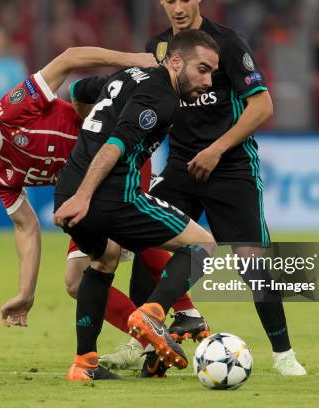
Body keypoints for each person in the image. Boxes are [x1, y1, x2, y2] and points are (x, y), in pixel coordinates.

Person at [102, 0, 307, 376]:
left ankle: (284, 354)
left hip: (230, 166)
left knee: (252, 262)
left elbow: (262, 107)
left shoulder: (227, 43)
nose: (178, 7)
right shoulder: (158, 48)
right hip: (181, 167)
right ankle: (144, 345)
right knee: (147, 246)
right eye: (170, 0)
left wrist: (215, 150)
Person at [0, 46, 157, 328]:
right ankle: (151, 338)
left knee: (138, 240)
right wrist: (26, 292)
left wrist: (133, 59)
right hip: (85, 196)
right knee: (76, 282)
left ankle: (184, 315)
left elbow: (69, 58)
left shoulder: (16, 106)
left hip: (120, 160)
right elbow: (25, 227)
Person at [54, 28, 220, 381]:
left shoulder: (128, 75)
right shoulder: (162, 96)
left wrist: (78, 187)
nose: (208, 81)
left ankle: (83, 364)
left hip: (66, 189)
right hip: (110, 196)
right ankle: (154, 313)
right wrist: (86, 195)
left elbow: (78, 91)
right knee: (203, 244)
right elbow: (116, 142)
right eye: (202, 69)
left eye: (212, 73)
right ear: (175, 61)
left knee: (103, 260)